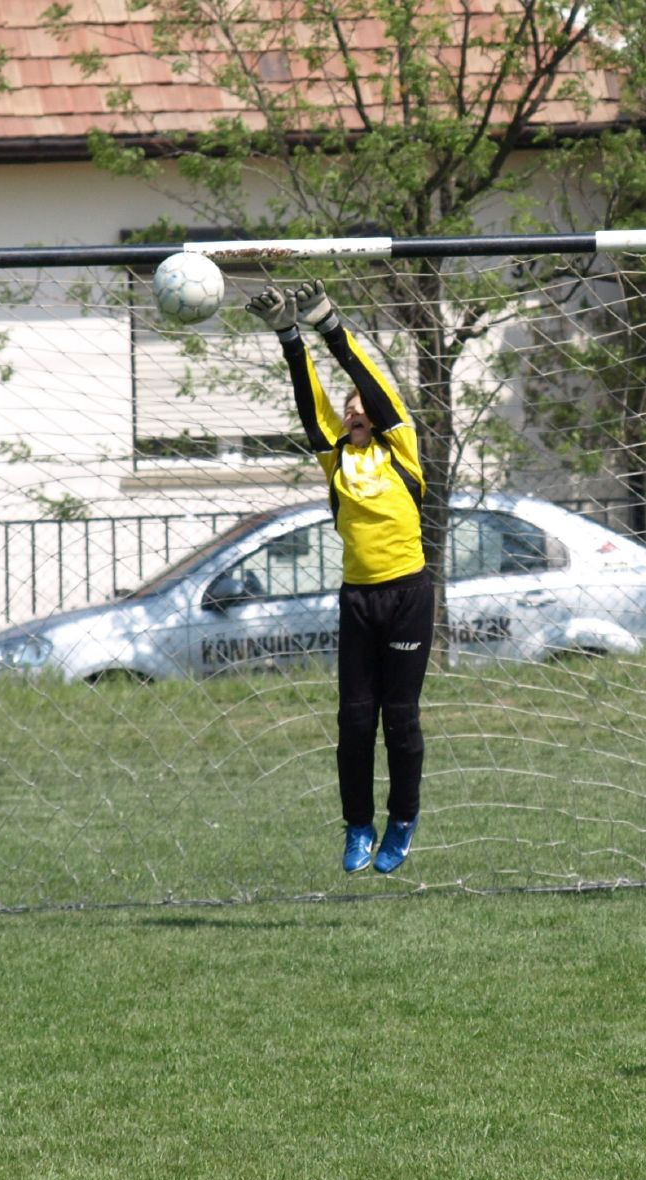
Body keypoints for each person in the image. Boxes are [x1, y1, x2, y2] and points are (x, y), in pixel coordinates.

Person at [248, 279, 433, 875]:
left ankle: (403, 818)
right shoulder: (337, 458)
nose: (354, 410)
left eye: (361, 406)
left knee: (399, 719)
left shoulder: (401, 451)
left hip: (409, 597)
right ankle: (358, 825)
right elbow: (310, 403)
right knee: (355, 722)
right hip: (358, 601)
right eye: (348, 407)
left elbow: (377, 392)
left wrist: (330, 327)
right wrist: (289, 337)